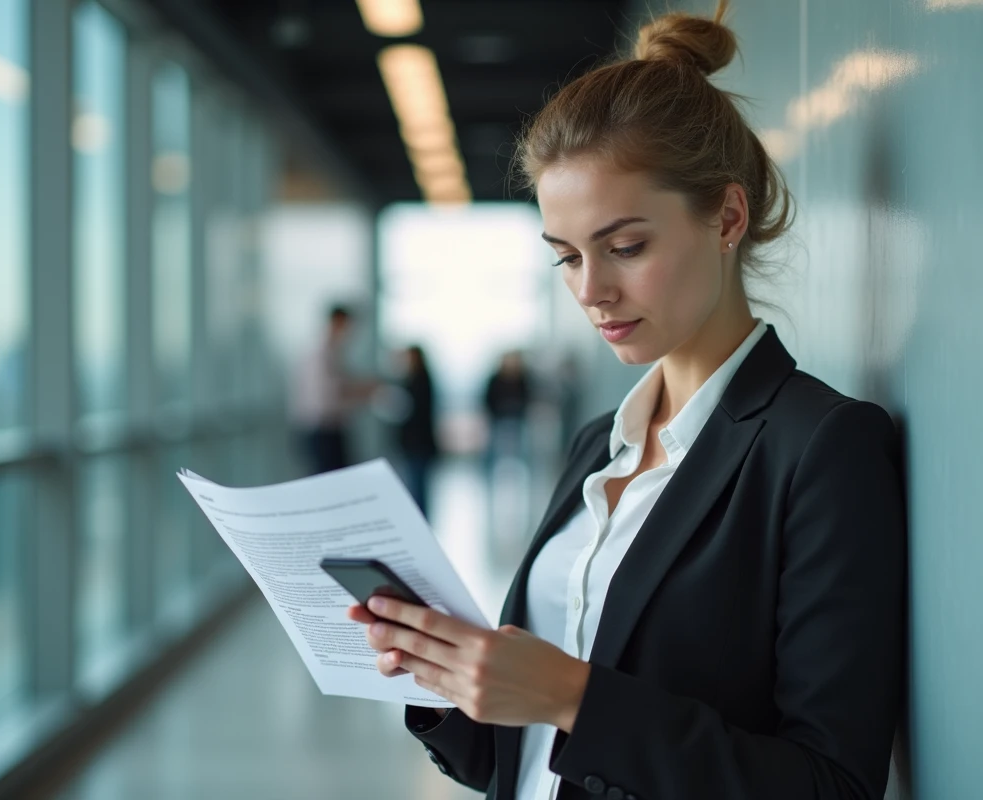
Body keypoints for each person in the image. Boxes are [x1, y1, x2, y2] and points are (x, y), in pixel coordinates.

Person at [348, 4, 905, 800]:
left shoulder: (818, 447)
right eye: (567, 257)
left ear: (728, 216)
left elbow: (831, 784)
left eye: (625, 247)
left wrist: (571, 696)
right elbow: (532, 760)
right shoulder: (596, 445)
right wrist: (450, 683)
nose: (591, 290)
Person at [290, 305, 374, 475]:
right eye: (347, 326)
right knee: (328, 484)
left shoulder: (334, 352)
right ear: (337, 322)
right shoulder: (320, 353)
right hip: (321, 431)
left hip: (330, 429)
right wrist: (361, 392)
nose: (350, 332)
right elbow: (327, 398)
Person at [396, 345, 439, 516]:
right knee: (415, 485)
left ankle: (420, 520)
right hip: (415, 443)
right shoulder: (415, 379)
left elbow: (415, 412)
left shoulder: (419, 381)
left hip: (418, 443)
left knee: (417, 486)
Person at [482, 350, 532, 473]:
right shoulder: (495, 379)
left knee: (520, 450)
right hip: (498, 419)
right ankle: (490, 474)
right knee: (494, 451)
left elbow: (527, 397)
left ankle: (520, 474)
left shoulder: (522, 379)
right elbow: (488, 398)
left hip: (517, 419)